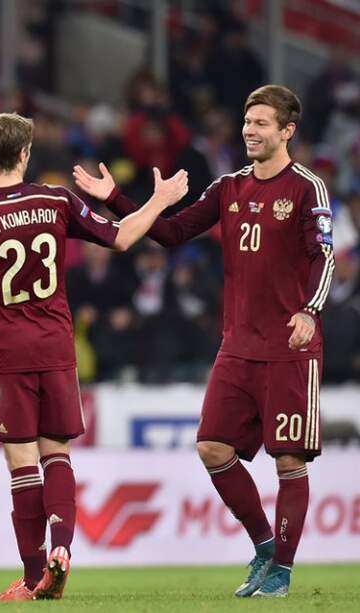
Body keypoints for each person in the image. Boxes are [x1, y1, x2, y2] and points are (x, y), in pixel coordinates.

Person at [0, 112, 189, 601]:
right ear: (25, 154)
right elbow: (122, 237)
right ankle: (62, 548)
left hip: (6, 353)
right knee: (56, 453)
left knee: (22, 464)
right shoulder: (56, 200)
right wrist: (159, 201)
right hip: (57, 346)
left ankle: (33, 574)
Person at [74, 84, 333, 598]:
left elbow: (324, 256)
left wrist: (310, 310)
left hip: (290, 348)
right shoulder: (228, 187)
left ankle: (281, 571)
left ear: (287, 131)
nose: (249, 130)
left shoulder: (307, 188)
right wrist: (119, 200)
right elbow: (170, 233)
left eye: (261, 123)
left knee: (289, 460)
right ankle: (264, 546)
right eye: (247, 121)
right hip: (237, 346)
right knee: (212, 447)